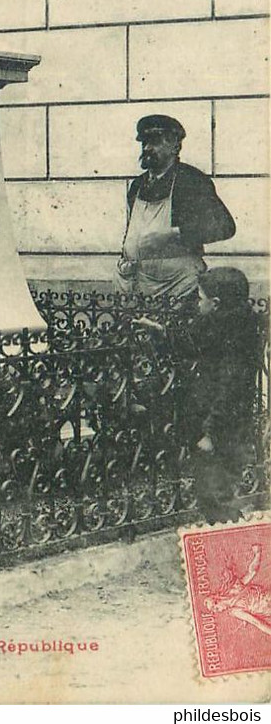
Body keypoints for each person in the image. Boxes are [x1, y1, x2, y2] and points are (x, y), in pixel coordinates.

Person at [114, 114, 235, 299]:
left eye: (154, 143)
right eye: (144, 143)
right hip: (134, 284)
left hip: (177, 286)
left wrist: (173, 234)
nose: (147, 148)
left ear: (175, 146)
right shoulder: (137, 185)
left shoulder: (191, 181)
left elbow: (224, 227)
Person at [184, 268, 261, 524]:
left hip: (222, 429)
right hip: (219, 425)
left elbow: (231, 387)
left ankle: (231, 555)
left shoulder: (233, 337)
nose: (197, 303)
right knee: (214, 494)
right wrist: (160, 332)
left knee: (217, 496)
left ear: (215, 304)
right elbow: (191, 345)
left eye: (200, 298)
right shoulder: (223, 325)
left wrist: (211, 432)